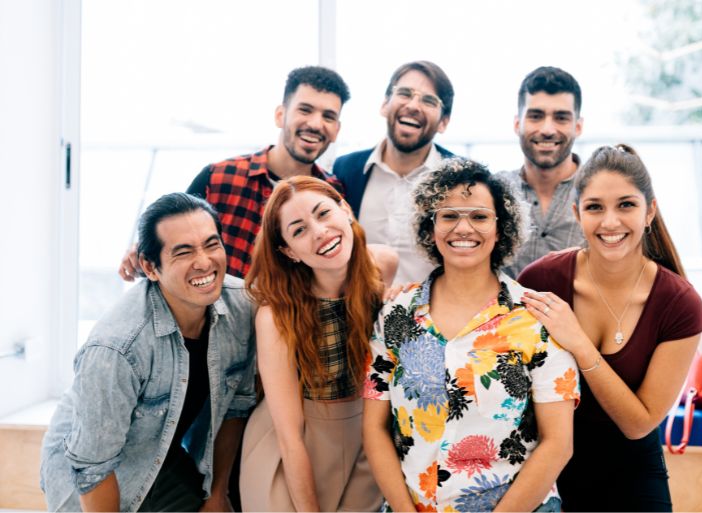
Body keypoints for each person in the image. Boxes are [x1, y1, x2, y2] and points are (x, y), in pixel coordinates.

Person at [362, 158, 579, 512]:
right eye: (449, 216)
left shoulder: (536, 317)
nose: (463, 228)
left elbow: (558, 443)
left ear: (500, 228)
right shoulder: (396, 313)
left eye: (479, 216)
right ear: (430, 226)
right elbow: (374, 429)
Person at [40, 193, 256, 512]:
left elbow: (236, 407)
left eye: (212, 245)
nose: (204, 262)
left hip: (163, 457)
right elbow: (91, 468)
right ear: (150, 267)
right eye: (184, 252)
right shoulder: (117, 346)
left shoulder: (241, 307)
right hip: (85, 481)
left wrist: (217, 495)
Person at [518, 144, 702, 512]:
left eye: (626, 205)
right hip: (545, 469)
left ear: (649, 211)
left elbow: (639, 424)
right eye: (594, 208)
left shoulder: (680, 304)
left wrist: (578, 343)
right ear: (577, 214)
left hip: (632, 473)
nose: (610, 222)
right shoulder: (540, 279)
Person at [239, 176, 396, 511]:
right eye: (298, 230)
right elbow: (289, 434)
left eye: (323, 213)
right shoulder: (277, 315)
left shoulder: (382, 266)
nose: (319, 232)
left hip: (365, 434)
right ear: (288, 252)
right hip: (291, 446)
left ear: (346, 210)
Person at [119, 65, 350, 281]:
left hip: (294, 321)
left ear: (337, 130)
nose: (316, 124)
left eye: (328, 116)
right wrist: (142, 255)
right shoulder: (219, 177)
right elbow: (170, 240)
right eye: (305, 110)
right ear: (280, 115)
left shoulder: (335, 193)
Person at [333, 61, 455, 284]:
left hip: (433, 315)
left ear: (443, 123)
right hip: (358, 313)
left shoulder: (460, 178)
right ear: (384, 105)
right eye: (404, 93)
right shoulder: (345, 169)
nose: (413, 105)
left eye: (428, 100)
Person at [499, 66, 586, 277]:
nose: (547, 130)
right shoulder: (493, 192)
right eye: (536, 116)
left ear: (578, 126)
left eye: (561, 117)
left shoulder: (600, 193)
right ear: (517, 124)